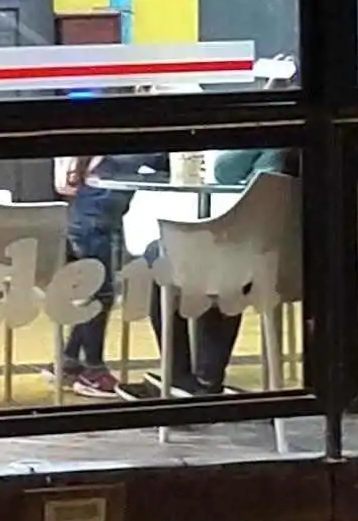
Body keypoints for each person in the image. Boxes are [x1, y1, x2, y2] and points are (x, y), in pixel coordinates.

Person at [128, 148, 301, 400]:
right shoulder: (322, 151)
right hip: (295, 262)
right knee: (220, 265)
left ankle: (179, 376)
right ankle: (207, 380)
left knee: (163, 253)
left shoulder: (275, 147)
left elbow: (224, 171)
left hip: (253, 264)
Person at [52, 152, 161, 398]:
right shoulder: (121, 155)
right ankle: (93, 371)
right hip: (95, 225)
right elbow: (150, 159)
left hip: (93, 221)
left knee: (99, 294)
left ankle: (69, 360)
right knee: (100, 295)